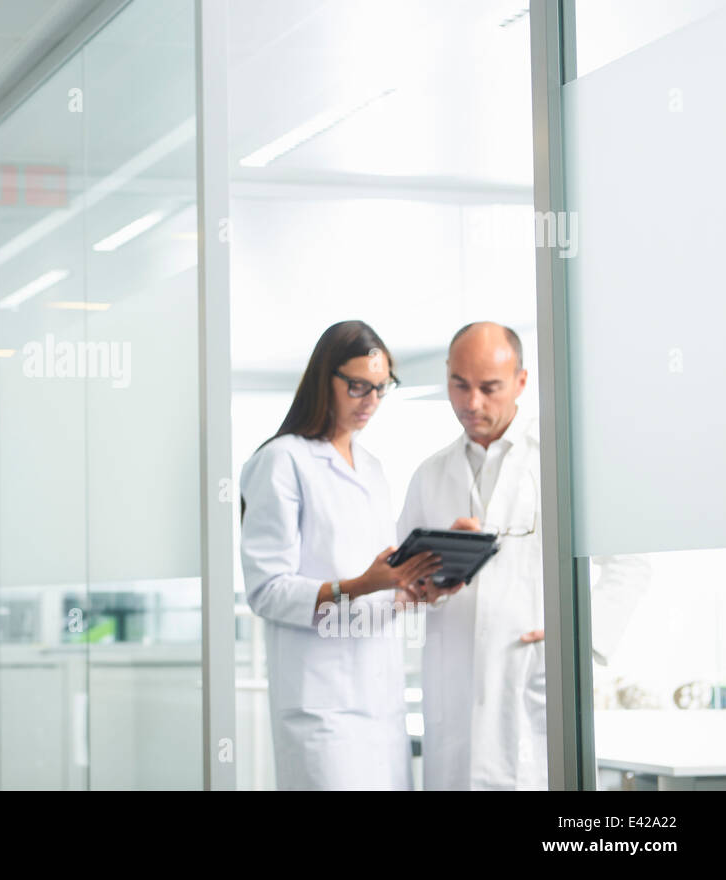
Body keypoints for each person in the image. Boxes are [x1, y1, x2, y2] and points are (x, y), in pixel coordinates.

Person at [398, 322, 648, 790]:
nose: (472, 404)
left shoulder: (563, 458)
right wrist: (424, 588)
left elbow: (630, 562)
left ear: (521, 382)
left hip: (534, 682)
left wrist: (579, 638)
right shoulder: (428, 475)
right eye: (459, 385)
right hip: (453, 688)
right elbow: (406, 587)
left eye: (489, 388)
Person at [239, 320, 441, 790]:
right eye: (357, 386)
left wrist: (410, 588)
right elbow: (267, 591)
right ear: (323, 379)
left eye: (381, 388)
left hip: (381, 696)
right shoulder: (282, 461)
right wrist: (363, 585)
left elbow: (378, 585)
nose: (370, 401)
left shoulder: (373, 469)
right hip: (321, 702)